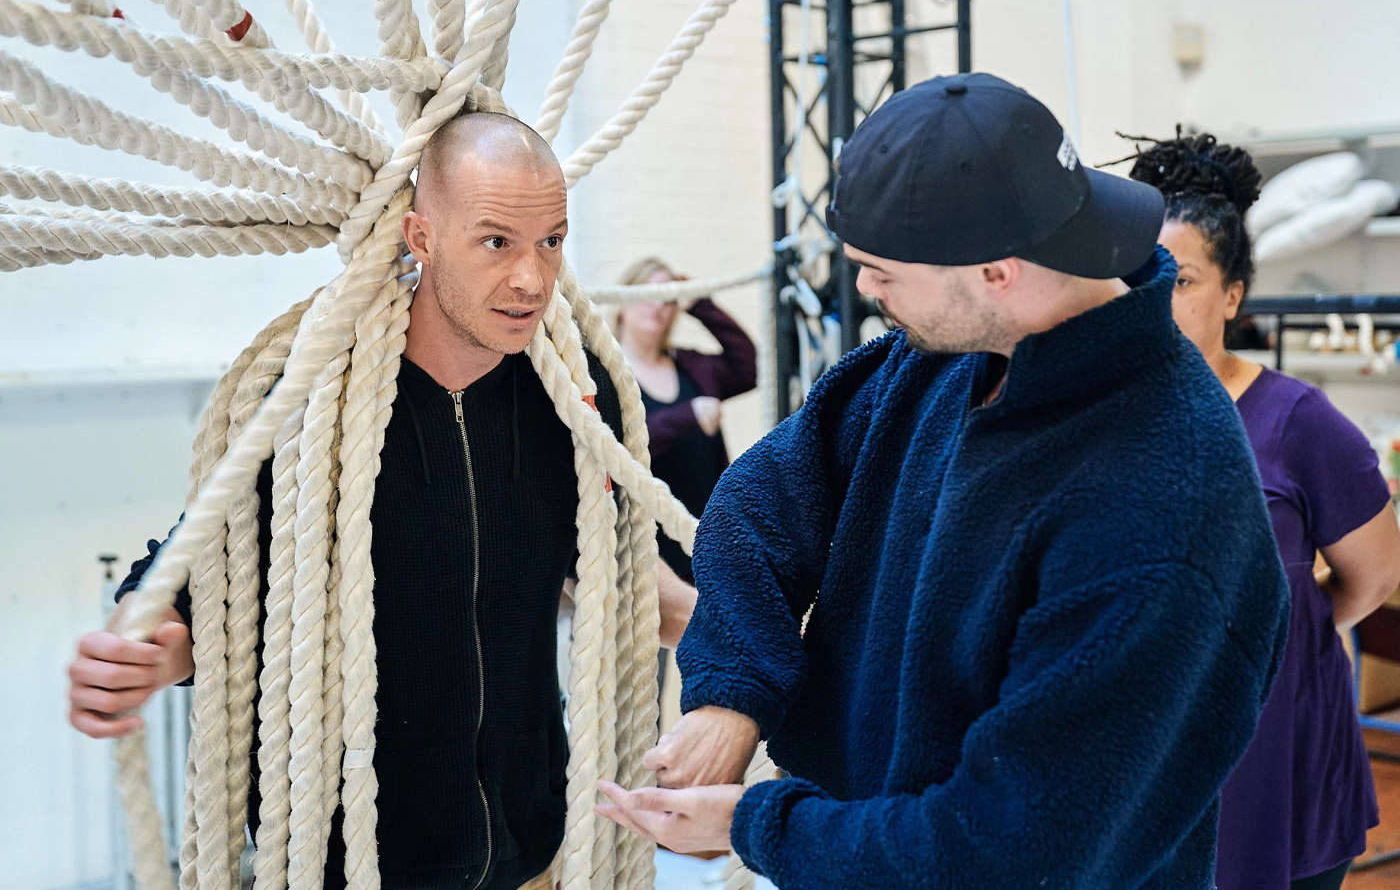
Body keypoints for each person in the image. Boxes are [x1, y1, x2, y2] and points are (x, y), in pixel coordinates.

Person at [594, 72, 1290, 889]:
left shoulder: (1166, 511)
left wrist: (756, 824)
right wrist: (733, 695)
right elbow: (761, 503)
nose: (864, 291)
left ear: (998, 270)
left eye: (880, 269)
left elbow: (1005, 852)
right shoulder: (940, 360)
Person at [66, 111, 693, 890]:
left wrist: (760, 652)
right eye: (497, 241)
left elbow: (630, 581)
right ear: (420, 239)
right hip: (353, 866)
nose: (532, 278)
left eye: (552, 242)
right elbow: (201, 582)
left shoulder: (566, 396)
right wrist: (144, 651)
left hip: (535, 859)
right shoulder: (315, 400)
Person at [1132, 131, 1400, 890]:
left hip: (1279, 750)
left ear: (1234, 296)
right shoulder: (1110, 416)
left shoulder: (1298, 422)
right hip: (1150, 753)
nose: (1157, 297)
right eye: (1140, 277)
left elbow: (1374, 577)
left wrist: (1282, 627)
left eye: (1180, 279)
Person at [614, 257, 757, 582]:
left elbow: (745, 366)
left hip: (707, 529)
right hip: (647, 539)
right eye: (647, 294)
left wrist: (700, 303)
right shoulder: (605, 374)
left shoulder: (691, 365)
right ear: (622, 301)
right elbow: (622, 440)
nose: (658, 306)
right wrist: (687, 415)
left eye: (667, 297)